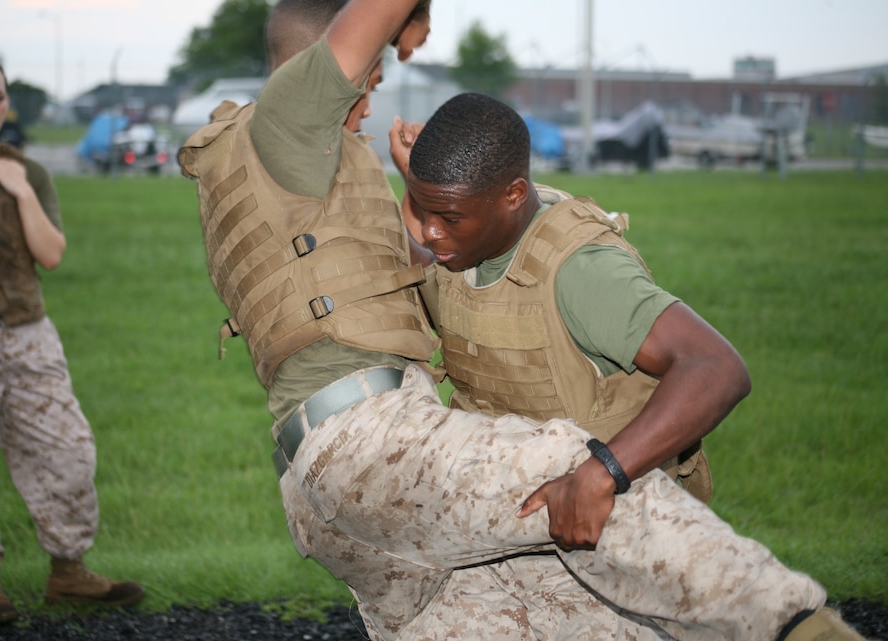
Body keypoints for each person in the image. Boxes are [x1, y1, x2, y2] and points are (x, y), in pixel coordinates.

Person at [178, 2, 857, 640]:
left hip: (323, 494)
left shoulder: (264, 166)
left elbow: (377, 288)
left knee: (572, 608)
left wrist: (425, 210)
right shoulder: (291, 115)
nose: (372, 97)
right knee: (581, 471)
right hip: (368, 444)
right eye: (373, 75)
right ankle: (796, 624)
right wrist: (410, 22)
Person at [0, 55, 144, 625]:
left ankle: (68, 572)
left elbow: (50, 254)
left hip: (29, 334)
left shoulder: (31, 172)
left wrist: (19, 191)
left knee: (69, 450)